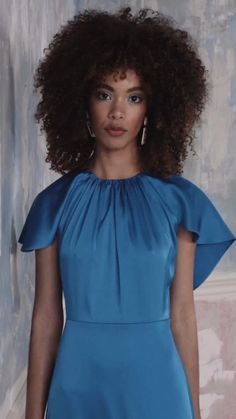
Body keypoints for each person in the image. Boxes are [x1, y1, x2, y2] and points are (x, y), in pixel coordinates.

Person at [18, 7, 236, 419]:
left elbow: (183, 317)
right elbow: (46, 318)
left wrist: (193, 412)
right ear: (82, 101)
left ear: (151, 110)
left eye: (134, 97)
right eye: (104, 94)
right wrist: (33, 414)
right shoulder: (54, 205)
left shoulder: (180, 203)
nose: (117, 111)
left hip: (158, 385)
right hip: (77, 385)